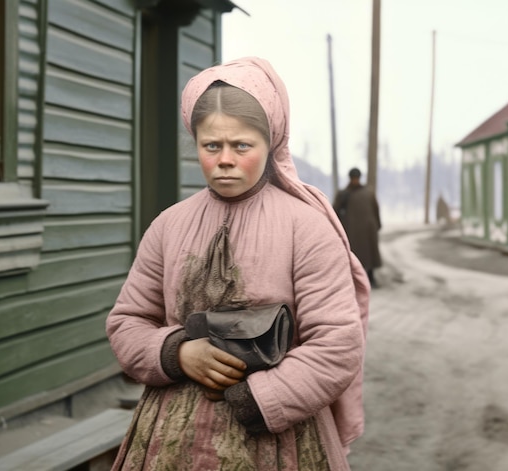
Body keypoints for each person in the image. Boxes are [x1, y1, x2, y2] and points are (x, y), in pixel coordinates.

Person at [105, 57, 370, 470]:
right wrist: (177, 353)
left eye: (242, 146)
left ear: (271, 143)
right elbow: (127, 323)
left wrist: (256, 399)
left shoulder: (307, 229)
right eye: (212, 146)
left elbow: (336, 345)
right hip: (172, 439)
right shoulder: (168, 226)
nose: (225, 159)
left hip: (279, 440)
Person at [333, 168, 382, 287]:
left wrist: (377, 224)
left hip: (364, 229)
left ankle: (370, 278)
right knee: (357, 255)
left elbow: (375, 210)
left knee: (366, 254)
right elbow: (335, 212)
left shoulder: (366, 193)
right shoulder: (345, 193)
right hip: (353, 229)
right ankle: (359, 280)